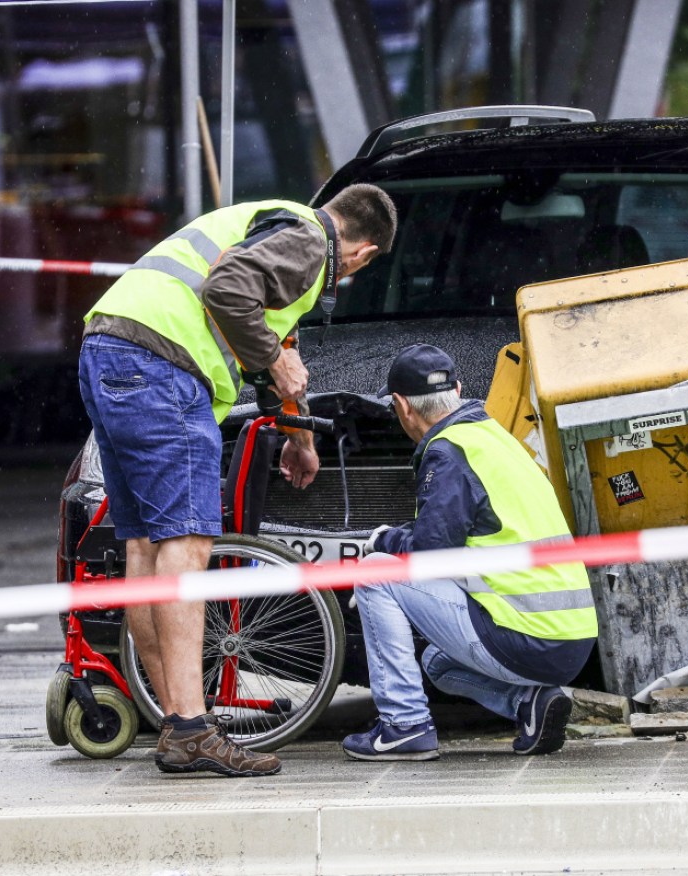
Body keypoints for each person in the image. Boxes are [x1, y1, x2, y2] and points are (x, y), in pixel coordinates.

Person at [79, 184, 396, 776]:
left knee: (146, 545)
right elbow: (227, 291)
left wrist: (299, 436)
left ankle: (179, 721)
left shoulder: (274, 226)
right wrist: (274, 359)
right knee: (188, 542)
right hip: (164, 366)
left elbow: (269, 342)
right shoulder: (310, 242)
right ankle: (192, 727)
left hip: (110, 347)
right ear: (364, 253)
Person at [341, 344, 598, 762]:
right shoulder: (494, 439)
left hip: (528, 636)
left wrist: (382, 541)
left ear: (401, 406)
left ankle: (404, 725)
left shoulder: (449, 452)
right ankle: (527, 704)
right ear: (459, 390)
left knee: (374, 572)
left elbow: (430, 552)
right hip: (570, 640)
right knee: (439, 664)